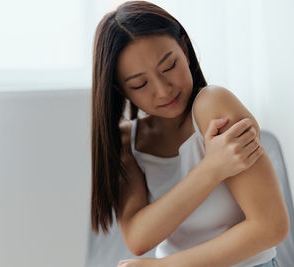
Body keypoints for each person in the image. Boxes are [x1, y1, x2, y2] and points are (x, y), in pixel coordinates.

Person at [90, 1, 289, 267]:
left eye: (169, 66)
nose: (163, 90)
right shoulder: (129, 141)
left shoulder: (213, 106)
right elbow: (138, 239)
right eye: (140, 83)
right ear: (120, 90)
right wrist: (211, 169)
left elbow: (271, 227)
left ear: (184, 48)